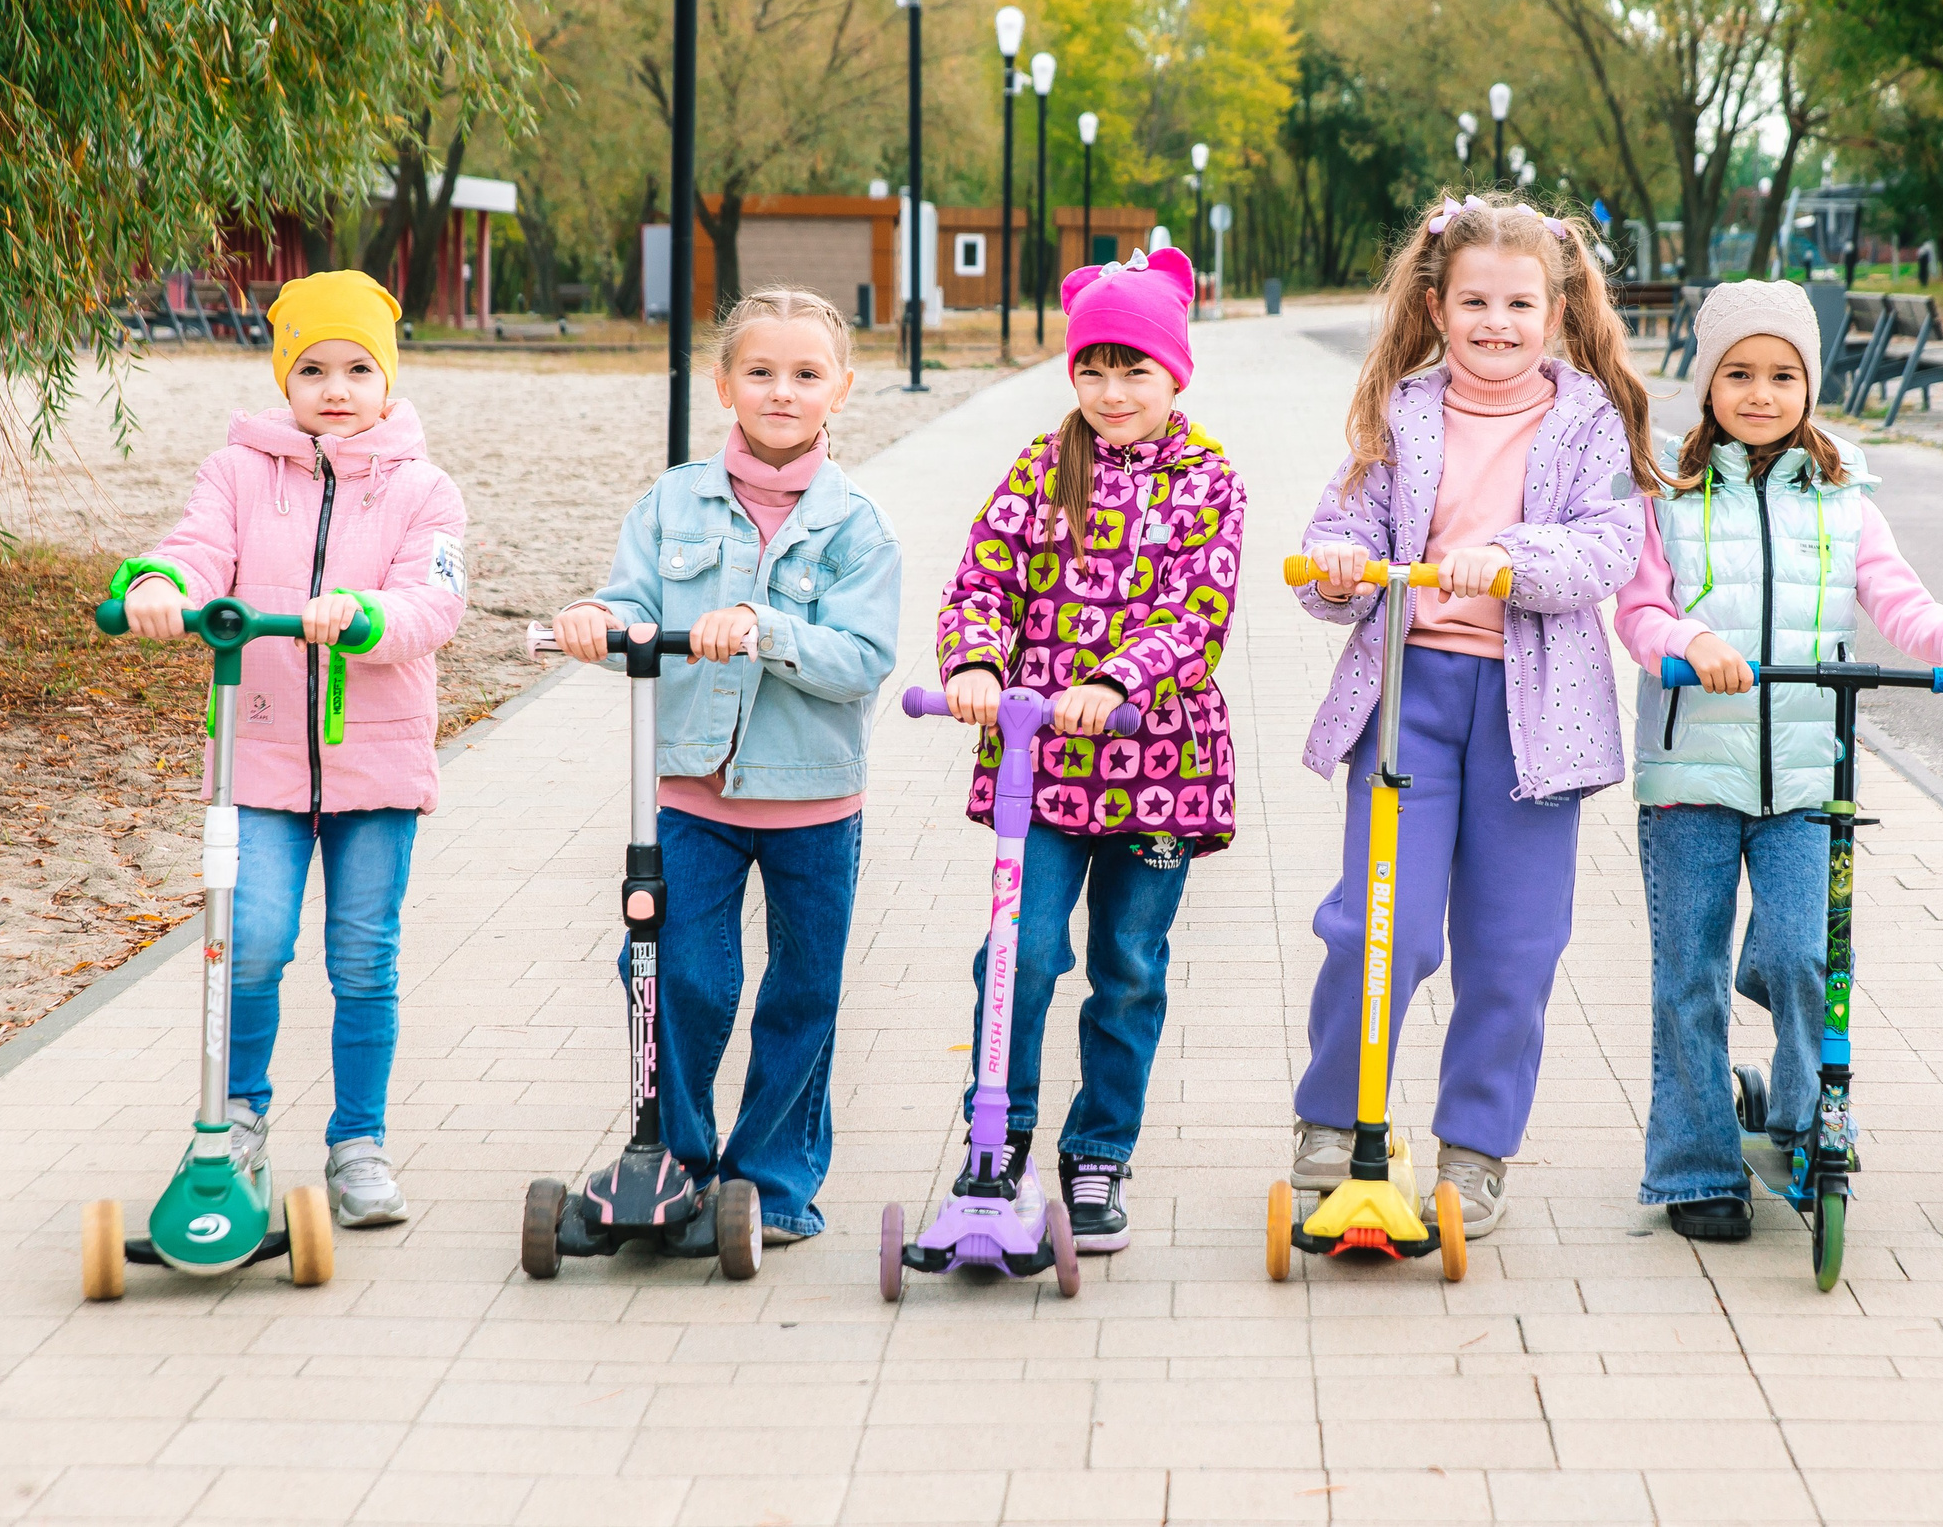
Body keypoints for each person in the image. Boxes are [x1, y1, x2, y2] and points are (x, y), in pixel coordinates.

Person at [1289, 193, 1653, 1238]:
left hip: (1536, 713)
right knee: (1377, 923)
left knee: (1515, 942)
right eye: (1476, 303)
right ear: (1439, 307)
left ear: (1557, 311)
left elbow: (1605, 547)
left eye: (1520, 305)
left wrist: (1512, 557)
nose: (1497, 324)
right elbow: (1332, 541)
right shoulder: (1399, 410)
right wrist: (1345, 568)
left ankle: (1476, 1146)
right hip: (1411, 695)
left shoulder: (1586, 417)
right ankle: (1331, 1119)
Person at [1614, 279, 1943, 1240]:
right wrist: (1685, 642)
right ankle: (1695, 1163)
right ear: (1707, 383)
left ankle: (1800, 1113)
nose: (1760, 392)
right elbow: (1637, 609)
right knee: (1688, 975)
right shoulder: (1666, 490)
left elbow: (1898, 597)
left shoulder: (1843, 497)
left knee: (1802, 954)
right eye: (1738, 373)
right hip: (1690, 777)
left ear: (1809, 384)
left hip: (1803, 776)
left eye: (1782, 374)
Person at [114, 271, 467, 1227]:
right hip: (260, 755)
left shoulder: (424, 490)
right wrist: (160, 583)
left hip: (378, 765)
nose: (337, 387)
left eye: (359, 367)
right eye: (313, 368)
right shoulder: (237, 473)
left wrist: (362, 616)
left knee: (363, 956)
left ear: (388, 377)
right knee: (253, 939)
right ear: (285, 378)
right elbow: (197, 550)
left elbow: (435, 603)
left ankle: (360, 1143)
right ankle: (234, 1119)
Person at [552, 287, 900, 1243]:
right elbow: (628, 600)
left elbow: (863, 658)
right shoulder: (673, 501)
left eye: (804, 374)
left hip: (813, 797)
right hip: (688, 790)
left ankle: (775, 1180)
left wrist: (765, 628)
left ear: (841, 390)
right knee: (674, 972)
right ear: (723, 384)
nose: (781, 392)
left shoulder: (857, 526)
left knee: (803, 992)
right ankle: (680, 1160)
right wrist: (595, 617)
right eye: (760, 372)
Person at [933, 246, 1244, 1253]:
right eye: (1093, 370)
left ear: (1174, 374)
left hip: (1159, 769)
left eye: (1135, 371)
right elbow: (981, 581)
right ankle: (1002, 1140)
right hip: (1042, 769)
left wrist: (1113, 682)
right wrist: (975, 665)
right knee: (1018, 954)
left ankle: (1099, 1148)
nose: (1112, 393)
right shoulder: (1039, 465)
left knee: (1127, 964)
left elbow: (1197, 613)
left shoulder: (1207, 480)